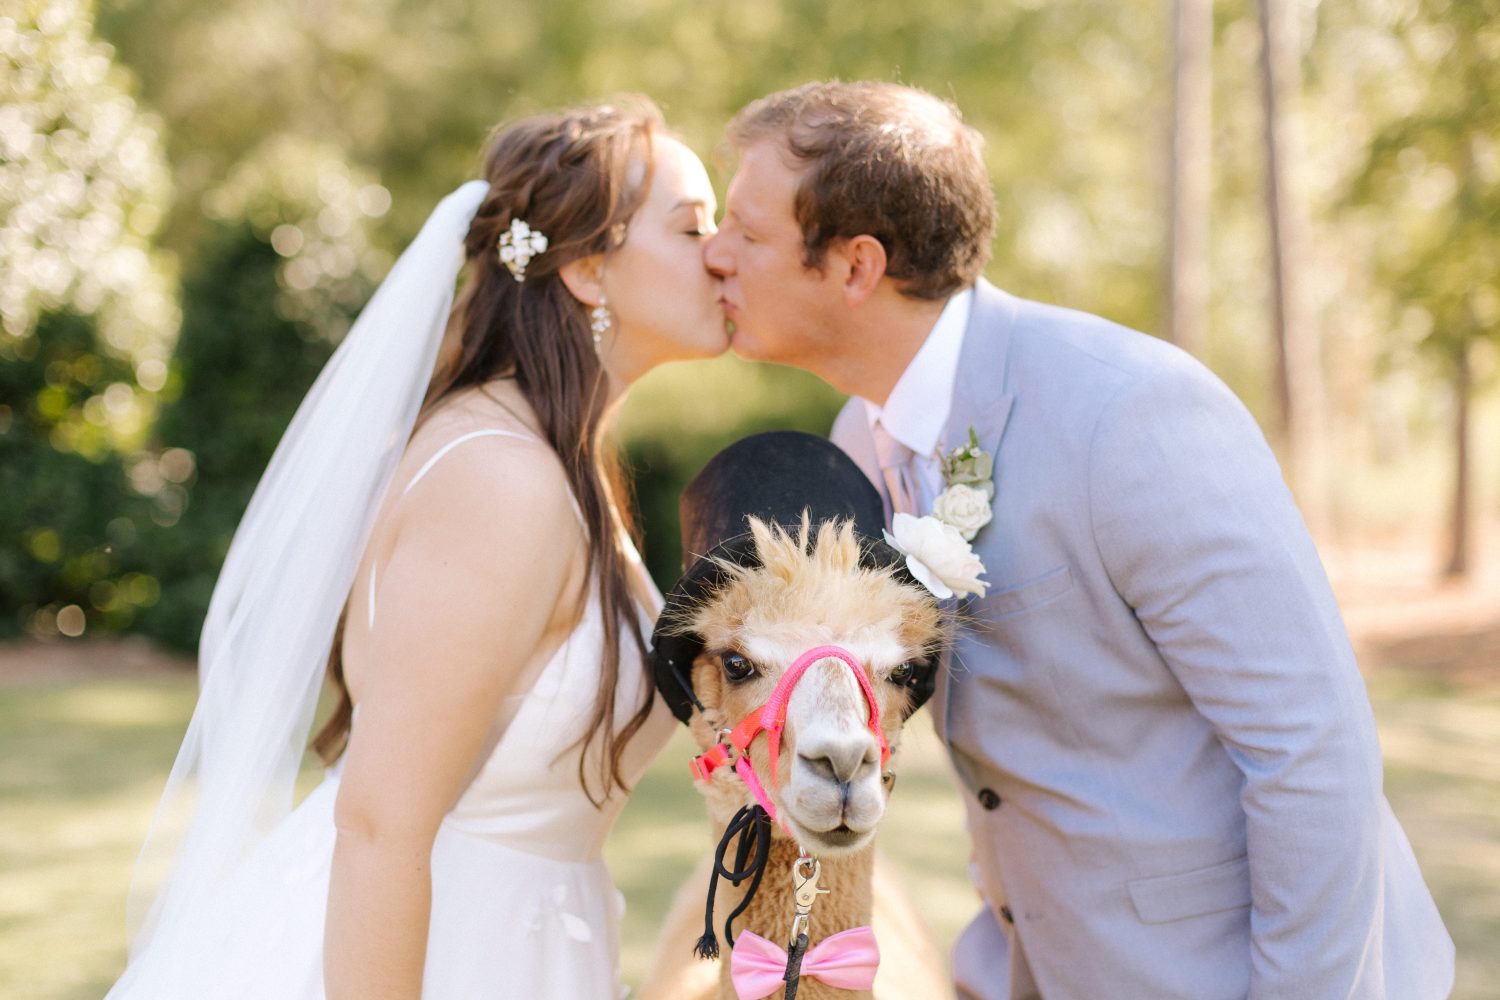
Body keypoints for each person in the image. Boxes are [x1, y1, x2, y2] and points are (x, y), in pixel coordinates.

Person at [704, 80, 1455, 999]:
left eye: (746, 231)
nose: (716, 254)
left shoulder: (1129, 412)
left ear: (856, 266)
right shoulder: (857, 445)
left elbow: (1311, 748)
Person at [108, 97, 725, 999]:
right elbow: (379, 827)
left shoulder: (553, 460)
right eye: (691, 226)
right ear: (590, 269)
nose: (718, 254)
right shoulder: (501, 483)